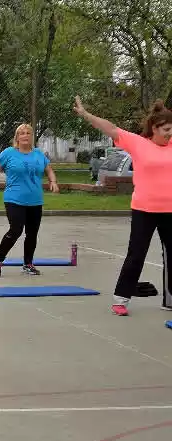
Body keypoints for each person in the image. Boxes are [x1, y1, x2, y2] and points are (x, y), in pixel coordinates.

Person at [73, 97, 172, 316]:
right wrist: (86, 114)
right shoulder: (138, 143)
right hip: (144, 209)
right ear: (154, 128)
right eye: (166, 129)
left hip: (170, 211)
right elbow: (110, 128)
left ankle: (170, 299)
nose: (169, 133)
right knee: (136, 254)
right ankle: (121, 299)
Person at [0, 123, 60, 276]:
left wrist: (53, 182)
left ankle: (28, 264)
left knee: (32, 233)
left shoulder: (38, 154)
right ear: (17, 137)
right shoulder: (9, 153)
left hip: (35, 200)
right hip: (14, 199)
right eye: (22, 133)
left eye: (28, 133)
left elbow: (49, 170)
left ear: (32, 137)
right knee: (16, 229)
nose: (25, 135)